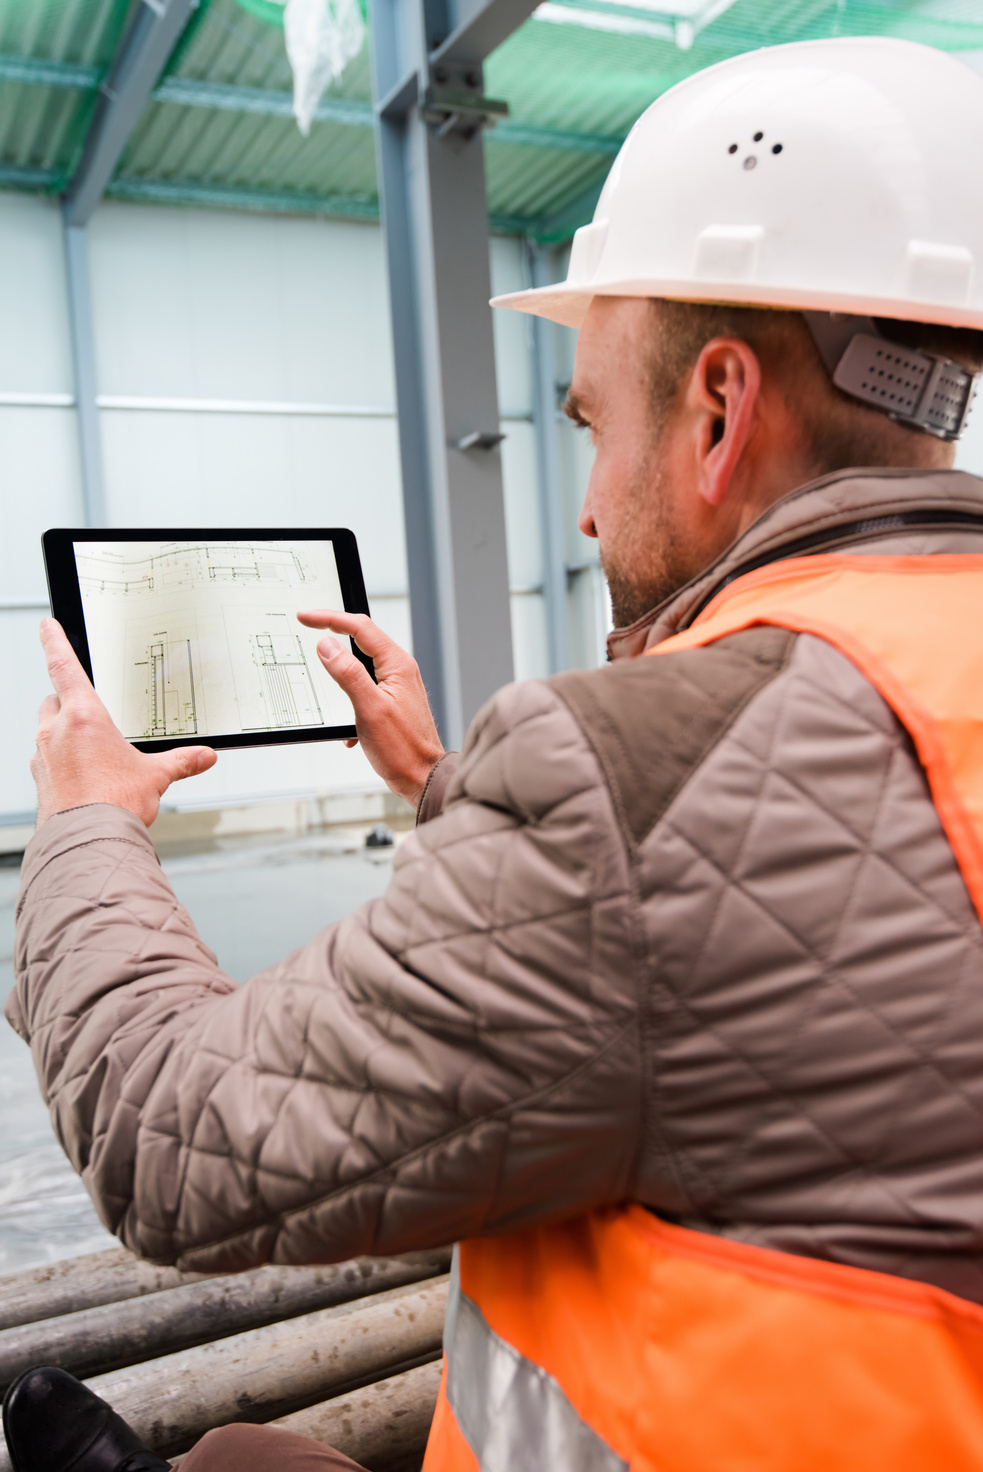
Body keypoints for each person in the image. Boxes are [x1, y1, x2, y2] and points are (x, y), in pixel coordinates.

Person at [7, 31, 983, 1472]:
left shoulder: (637, 782)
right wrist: (445, 789)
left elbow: (177, 1141)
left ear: (717, 411)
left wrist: (88, 830)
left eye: (593, 423)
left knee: (229, 1461)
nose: (585, 511)